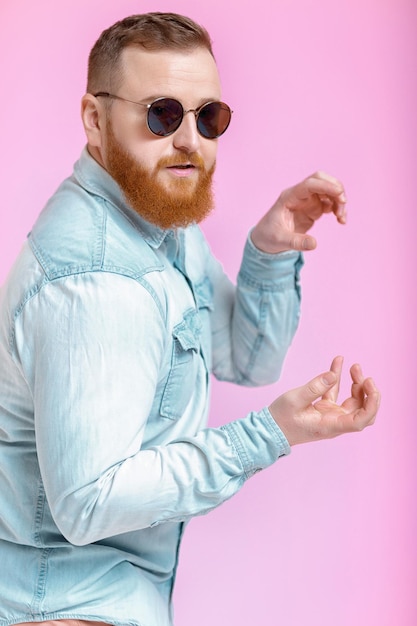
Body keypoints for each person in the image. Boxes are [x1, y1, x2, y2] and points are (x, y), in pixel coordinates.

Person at [0, 12, 380, 626]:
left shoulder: (159, 224)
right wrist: (266, 436)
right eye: (162, 115)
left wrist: (270, 249)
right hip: (63, 609)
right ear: (96, 121)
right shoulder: (97, 283)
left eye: (209, 117)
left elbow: (244, 357)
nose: (190, 141)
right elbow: (87, 504)